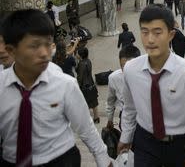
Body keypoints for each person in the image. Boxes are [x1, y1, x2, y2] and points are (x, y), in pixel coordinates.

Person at [0, 9, 111, 166]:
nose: (45, 53)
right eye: (34, 46)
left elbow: (85, 127)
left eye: (47, 44)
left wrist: (103, 159)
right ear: (12, 50)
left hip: (61, 160)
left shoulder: (64, 84)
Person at [117, 5, 185, 166]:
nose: (150, 39)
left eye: (157, 32)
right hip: (144, 141)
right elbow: (130, 106)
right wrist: (126, 136)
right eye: (145, 32)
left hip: (179, 143)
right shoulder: (131, 70)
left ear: (171, 34)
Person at [106, 45, 141, 131]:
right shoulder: (114, 78)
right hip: (125, 117)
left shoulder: (149, 77)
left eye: (131, 67)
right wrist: (110, 119)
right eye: (123, 67)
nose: (127, 71)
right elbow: (110, 101)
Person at [76, 47, 100, 123]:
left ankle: (86, 121)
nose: (76, 54)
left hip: (85, 87)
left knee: (84, 104)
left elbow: (80, 77)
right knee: (94, 103)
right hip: (92, 85)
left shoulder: (81, 64)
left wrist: (77, 85)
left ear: (80, 55)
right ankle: (96, 118)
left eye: (77, 53)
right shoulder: (88, 61)